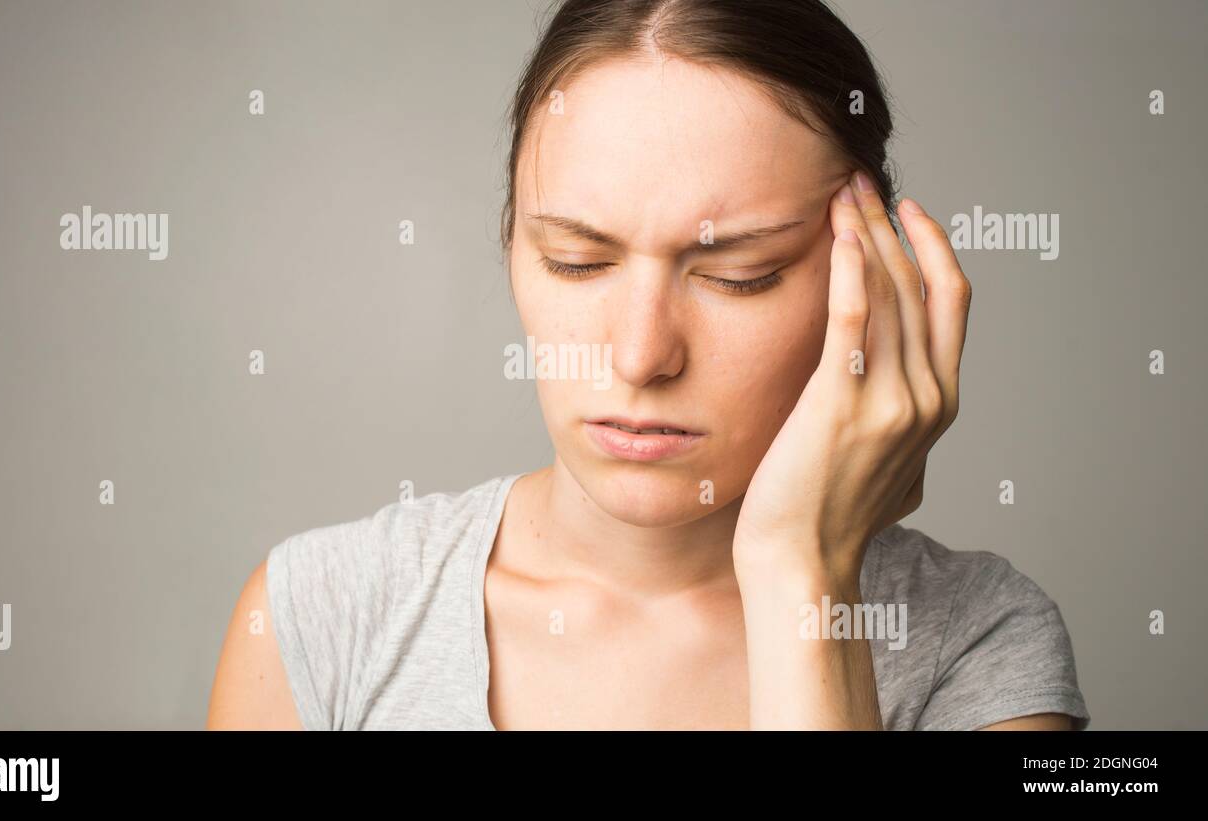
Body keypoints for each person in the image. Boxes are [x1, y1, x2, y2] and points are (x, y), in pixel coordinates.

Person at [207, 0, 1089, 730]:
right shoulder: (319, 617)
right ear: (512, 243)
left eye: (740, 275)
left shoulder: (980, 646)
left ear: (871, 277)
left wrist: (802, 575)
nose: (638, 354)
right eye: (577, 261)